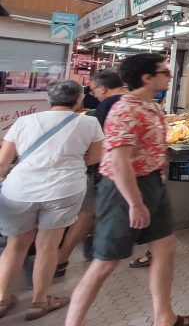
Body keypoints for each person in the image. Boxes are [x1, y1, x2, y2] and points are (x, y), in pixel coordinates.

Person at [65, 53, 189, 326]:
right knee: (106, 260)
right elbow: (118, 162)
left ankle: (165, 317)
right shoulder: (124, 110)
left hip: (152, 183)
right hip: (123, 189)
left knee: (165, 246)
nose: (170, 75)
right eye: (164, 71)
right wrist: (135, 203)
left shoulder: (152, 107)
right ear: (147, 77)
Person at [0, 81, 103, 320]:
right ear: (79, 99)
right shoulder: (89, 122)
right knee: (48, 246)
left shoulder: (24, 122)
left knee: (15, 245)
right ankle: (39, 302)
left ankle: (3, 299)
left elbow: (4, 161)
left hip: (20, 189)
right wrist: (68, 165)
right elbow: (96, 157)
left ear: (49, 99)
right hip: (64, 189)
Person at [54, 71, 127, 272]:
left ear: (103, 88)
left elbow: (100, 142)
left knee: (88, 211)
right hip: (121, 168)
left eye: (94, 90)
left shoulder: (107, 105)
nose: (93, 95)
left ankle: (63, 258)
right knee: (98, 210)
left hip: (107, 167)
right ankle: (94, 246)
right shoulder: (131, 102)